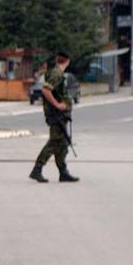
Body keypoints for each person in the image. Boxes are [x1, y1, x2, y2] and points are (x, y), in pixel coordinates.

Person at [30, 51, 79, 183]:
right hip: (57, 115)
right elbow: (46, 90)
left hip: (59, 115)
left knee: (62, 144)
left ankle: (63, 172)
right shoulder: (57, 74)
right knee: (54, 143)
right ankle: (37, 169)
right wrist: (57, 105)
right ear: (67, 61)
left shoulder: (55, 72)